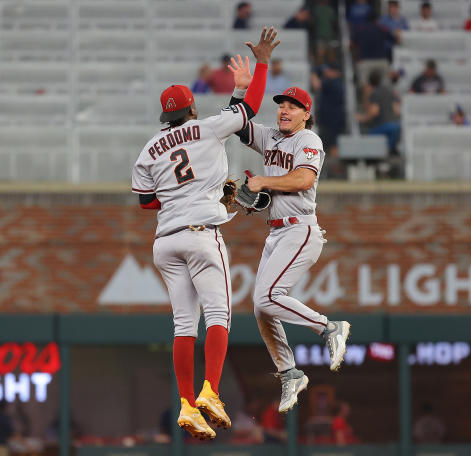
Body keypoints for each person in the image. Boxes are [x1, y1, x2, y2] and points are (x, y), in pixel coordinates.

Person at [131, 27, 279, 440]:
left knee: (183, 325)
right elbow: (249, 108)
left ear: (166, 116)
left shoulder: (148, 150)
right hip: (201, 233)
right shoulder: (208, 127)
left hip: (165, 241)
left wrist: (181, 196)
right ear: (193, 109)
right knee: (218, 315)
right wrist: (261, 64)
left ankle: (185, 404)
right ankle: (210, 392)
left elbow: (146, 202)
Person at [229, 85, 351, 414]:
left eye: (293, 106)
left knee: (267, 297)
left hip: (301, 228)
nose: (285, 110)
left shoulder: (308, 140)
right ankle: (289, 372)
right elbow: (236, 123)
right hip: (277, 232)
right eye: (282, 104)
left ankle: (329, 327)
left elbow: (303, 180)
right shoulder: (270, 137)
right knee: (262, 308)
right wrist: (241, 90)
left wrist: (263, 183)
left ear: (306, 115)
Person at [357, 70, 401, 153]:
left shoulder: (375, 93)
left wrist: (362, 118)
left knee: (366, 135)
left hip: (382, 127)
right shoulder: (389, 90)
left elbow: (374, 112)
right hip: (394, 126)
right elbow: (397, 110)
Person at [351, 11, 395, 90]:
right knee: (385, 86)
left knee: (366, 86)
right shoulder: (382, 28)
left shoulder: (360, 29)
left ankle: (367, 101)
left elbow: (351, 45)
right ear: (377, 20)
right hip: (381, 61)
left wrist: (355, 58)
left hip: (364, 61)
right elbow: (394, 40)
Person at [313, 0, 338, 64]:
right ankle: (330, 67)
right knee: (328, 52)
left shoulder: (316, 10)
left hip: (322, 34)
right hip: (327, 34)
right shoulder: (330, 10)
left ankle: (326, 67)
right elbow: (334, 22)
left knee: (323, 53)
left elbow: (312, 23)